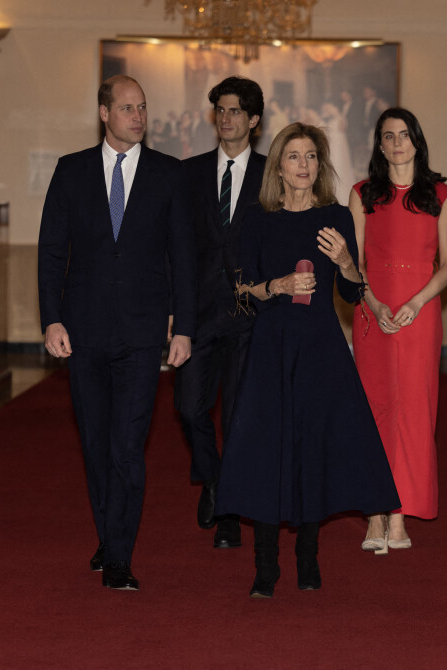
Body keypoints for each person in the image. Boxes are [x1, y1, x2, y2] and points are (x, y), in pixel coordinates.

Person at [215, 123, 400, 598]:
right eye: (294, 156)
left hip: (319, 349)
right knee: (266, 453)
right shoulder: (258, 218)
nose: (304, 165)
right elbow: (243, 288)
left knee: (313, 449)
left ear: (321, 164)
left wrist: (344, 262)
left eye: (312, 157)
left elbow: (351, 292)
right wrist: (275, 286)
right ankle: (264, 566)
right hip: (270, 349)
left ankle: (308, 558)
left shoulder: (336, 216)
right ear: (278, 165)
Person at [38, 74, 196, 591]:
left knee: (129, 446)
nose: (138, 116)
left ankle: (120, 557)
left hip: (143, 335)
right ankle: (108, 534)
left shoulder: (168, 175)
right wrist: (51, 318)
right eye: (127, 108)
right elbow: (51, 253)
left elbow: (184, 260)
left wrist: (184, 327)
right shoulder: (71, 171)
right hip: (83, 332)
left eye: (142, 108)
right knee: (97, 444)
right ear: (104, 113)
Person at [350, 107, 447, 552]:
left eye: (403, 135)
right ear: (379, 145)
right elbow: (354, 263)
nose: (396, 143)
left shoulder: (440, 194)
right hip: (371, 310)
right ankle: (375, 514)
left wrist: (415, 301)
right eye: (387, 136)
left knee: (415, 412)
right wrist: (374, 302)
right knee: (374, 410)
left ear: (416, 139)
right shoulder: (362, 194)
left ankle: (399, 516)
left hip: (421, 310)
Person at [175, 76, 266, 549]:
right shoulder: (187, 174)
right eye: (220, 110)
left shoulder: (271, 174)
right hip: (199, 315)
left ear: (253, 120)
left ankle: (229, 508)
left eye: (235, 111)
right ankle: (211, 479)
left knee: (237, 418)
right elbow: (174, 248)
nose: (226, 118)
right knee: (189, 409)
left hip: (253, 315)